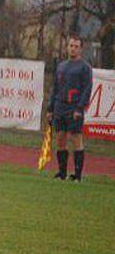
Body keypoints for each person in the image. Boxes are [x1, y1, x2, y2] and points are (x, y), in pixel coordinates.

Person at [47, 35, 93, 181]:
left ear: (81, 49)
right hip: (60, 107)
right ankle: (62, 172)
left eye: (76, 46)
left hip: (74, 108)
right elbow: (55, 88)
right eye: (71, 46)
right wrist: (50, 108)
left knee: (76, 139)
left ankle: (77, 175)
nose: (72, 49)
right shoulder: (61, 66)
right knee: (60, 138)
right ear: (67, 47)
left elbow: (87, 89)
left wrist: (80, 108)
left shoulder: (85, 68)